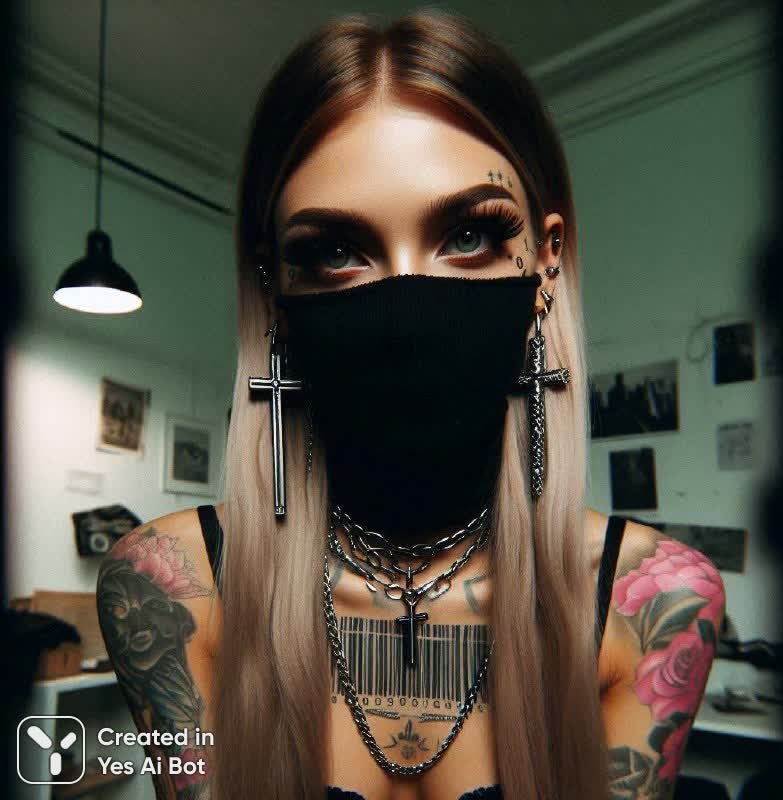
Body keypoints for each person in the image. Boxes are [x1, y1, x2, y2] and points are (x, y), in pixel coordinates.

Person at [96, 9, 726, 800]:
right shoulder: (168, 587)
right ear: (274, 286)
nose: (404, 311)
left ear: (546, 264)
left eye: (469, 236)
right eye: (334, 251)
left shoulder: (657, 603)